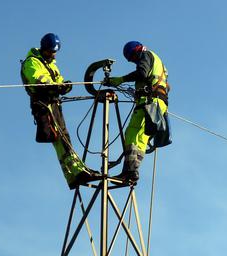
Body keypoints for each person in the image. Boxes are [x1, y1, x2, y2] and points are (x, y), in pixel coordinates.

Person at [20, 33, 99, 190]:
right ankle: (76, 172)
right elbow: (39, 80)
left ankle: (75, 173)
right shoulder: (32, 62)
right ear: (43, 49)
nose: (53, 54)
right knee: (61, 138)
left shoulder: (51, 63)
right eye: (50, 51)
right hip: (44, 104)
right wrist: (55, 86)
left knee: (64, 137)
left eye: (54, 51)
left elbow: (58, 79)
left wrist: (64, 85)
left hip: (53, 103)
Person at [104, 41, 171, 186]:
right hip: (159, 102)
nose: (135, 61)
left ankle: (130, 171)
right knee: (141, 138)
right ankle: (131, 171)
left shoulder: (146, 55)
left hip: (149, 102)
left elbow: (142, 73)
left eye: (134, 58)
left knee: (131, 132)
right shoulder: (157, 60)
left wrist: (121, 79)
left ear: (137, 50)